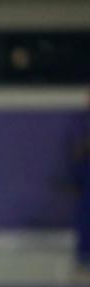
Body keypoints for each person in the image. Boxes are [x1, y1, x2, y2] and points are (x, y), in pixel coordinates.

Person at [67, 89, 90, 270]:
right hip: (85, 170)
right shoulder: (81, 120)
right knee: (85, 214)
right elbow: (76, 148)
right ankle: (83, 255)